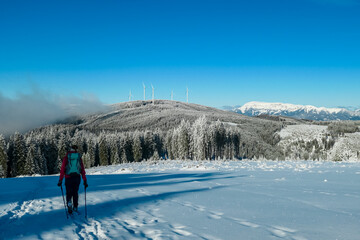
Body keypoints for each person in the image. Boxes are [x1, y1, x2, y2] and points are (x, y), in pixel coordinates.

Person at [57, 145, 88, 213]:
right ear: (76, 149)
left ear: (70, 149)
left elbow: (62, 170)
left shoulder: (66, 157)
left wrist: (60, 180)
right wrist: (85, 180)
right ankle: (75, 206)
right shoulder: (78, 158)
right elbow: (82, 169)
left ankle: (69, 204)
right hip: (77, 177)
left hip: (68, 178)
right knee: (75, 192)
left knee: (69, 192)